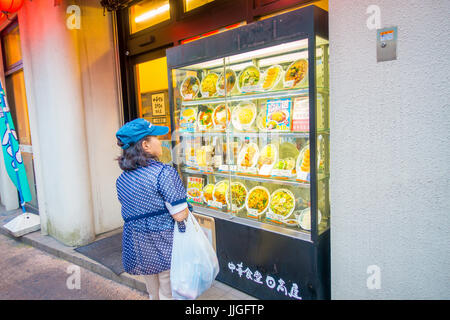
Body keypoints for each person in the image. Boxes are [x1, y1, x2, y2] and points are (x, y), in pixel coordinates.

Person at [115, 118, 189, 300]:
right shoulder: (163, 172)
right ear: (146, 145)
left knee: (153, 292)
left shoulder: (122, 180)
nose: (161, 140)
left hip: (140, 243)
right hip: (164, 242)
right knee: (168, 291)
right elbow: (180, 215)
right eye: (156, 137)